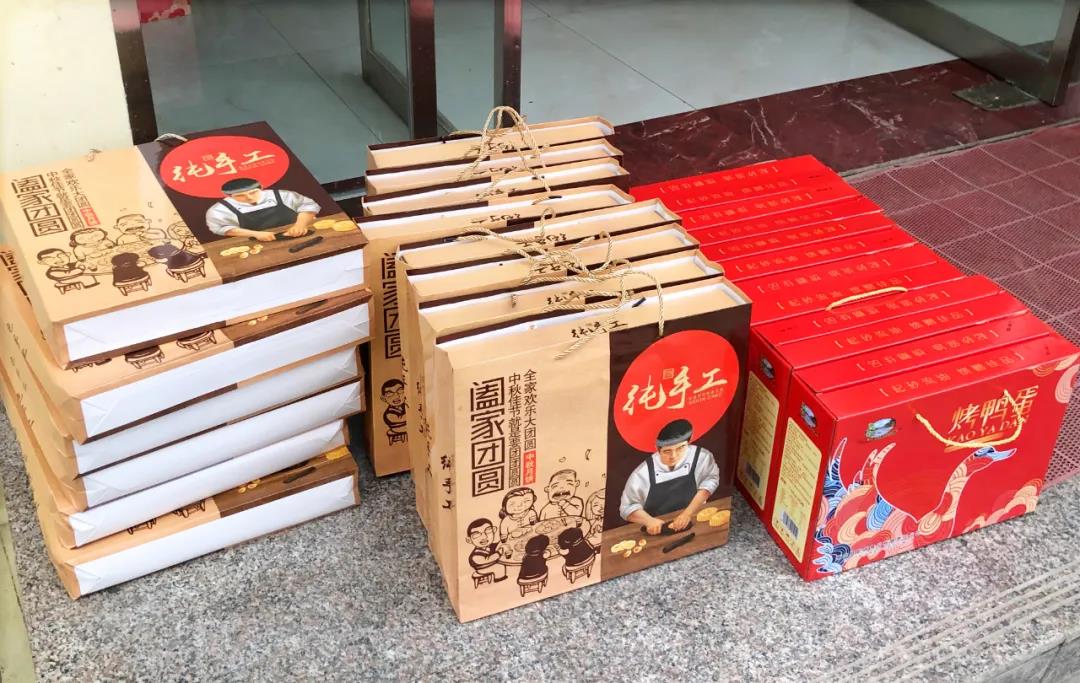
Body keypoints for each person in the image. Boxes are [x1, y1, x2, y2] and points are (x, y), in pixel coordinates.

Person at [619, 419, 720, 535]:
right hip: (657, 530)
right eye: (667, 451)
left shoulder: (702, 457)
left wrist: (687, 513)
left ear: (689, 442)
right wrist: (649, 521)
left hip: (695, 520)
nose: (674, 456)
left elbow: (710, 481)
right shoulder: (642, 473)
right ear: (658, 449)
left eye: (680, 448)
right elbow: (628, 507)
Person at [205, 178, 320, 242]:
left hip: (301, 234)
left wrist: (300, 224)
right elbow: (220, 228)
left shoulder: (281, 195)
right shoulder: (219, 209)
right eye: (240, 196)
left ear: (261, 189)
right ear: (229, 196)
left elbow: (308, 206)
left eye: (253, 192)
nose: (249, 198)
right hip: (259, 242)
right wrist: (256, 234)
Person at [465, 518, 506, 584]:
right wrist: (499, 553)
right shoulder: (475, 555)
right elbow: (488, 559)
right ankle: (499, 581)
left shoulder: (490, 546)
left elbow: (497, 545)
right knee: (500, 567)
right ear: (469, 540)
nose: (484, 537)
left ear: (494, 530)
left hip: (490, 565)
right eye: (476, 534)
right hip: (481, 569)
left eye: (488, 531)